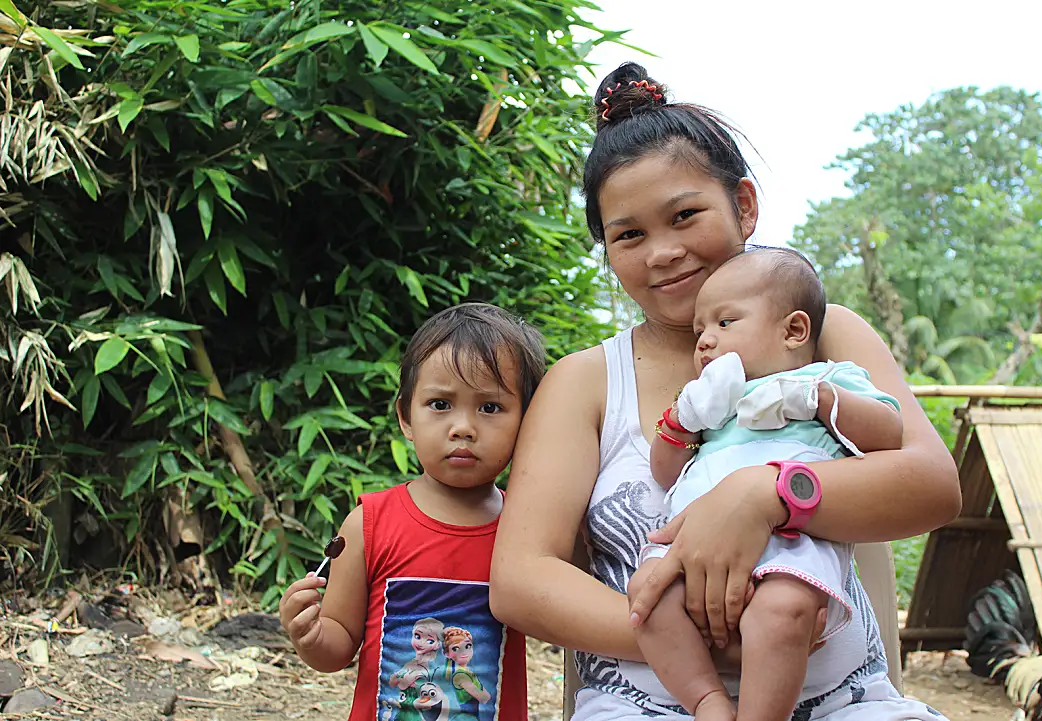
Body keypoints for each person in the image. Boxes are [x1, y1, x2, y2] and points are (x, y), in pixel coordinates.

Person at [489, 62, 961, 721]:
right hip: (646, 697)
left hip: (842, 699)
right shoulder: (587, 382)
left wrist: (766, 495)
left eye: (685, 215)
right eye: (629, 234)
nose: (662, 252)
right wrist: (704, 639)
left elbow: (933, 484)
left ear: (742, 205)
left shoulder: (823, 335)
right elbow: (520, 580)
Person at [629, 247, 905, 721]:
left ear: (794, 330)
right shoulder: (713, 401)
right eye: (700, 330)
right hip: (694, 538)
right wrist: (682, 417)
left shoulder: (828, 376)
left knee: (784, 612)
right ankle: (707, 700)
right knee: (648, 596)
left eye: (724, 323)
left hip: (794, 540)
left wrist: (816, 398)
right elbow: (664, 470)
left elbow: (889, 434)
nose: (705, 341)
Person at [279, 303, 545, 721]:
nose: (463, 427)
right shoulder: (370, 523)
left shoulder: (530, 527)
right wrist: (309, 636)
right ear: (406, 416)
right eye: (440, 405)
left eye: (490, 408)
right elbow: (338, 645)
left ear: (527, 422)